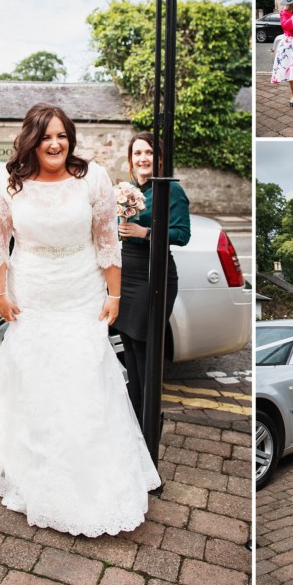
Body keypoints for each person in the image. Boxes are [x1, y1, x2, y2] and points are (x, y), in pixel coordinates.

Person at [0, 104, 160, 536]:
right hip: (31, 291)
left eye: (62, 136)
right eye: (46, 136)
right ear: (30, 140)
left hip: (81, 290)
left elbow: (107, 240)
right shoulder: (7, 183)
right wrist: (0, 294)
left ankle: (92, 471)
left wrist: (113, 295)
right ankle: (33, 468)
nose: (55, 144)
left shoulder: (93, 178)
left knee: (85, 376)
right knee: (36, 377)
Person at [114, 132, 190, 423]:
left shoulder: (170, 191)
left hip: (152, 275)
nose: (142, 158)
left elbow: (182, 235)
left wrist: (144, 233)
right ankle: (134, 421)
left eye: (148, 153)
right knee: (129, 350)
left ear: (159, 158)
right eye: (137, 154)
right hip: (127, 272)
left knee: (146, 353)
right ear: (130, 159)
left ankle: (150, 423)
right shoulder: (129, 189)